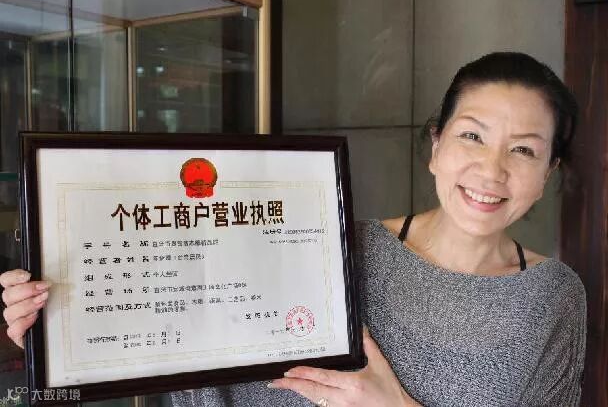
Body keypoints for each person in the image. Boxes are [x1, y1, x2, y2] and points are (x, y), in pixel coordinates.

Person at [1, 52, 587, 406]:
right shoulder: (334, 246)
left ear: (548, 172)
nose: (492, 170)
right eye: (472, 135)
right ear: (436, 145)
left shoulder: (555, 296)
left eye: (524, 149)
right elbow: (203, 350)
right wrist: (71, 336)